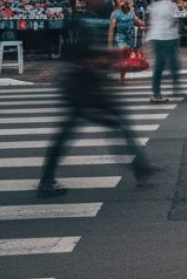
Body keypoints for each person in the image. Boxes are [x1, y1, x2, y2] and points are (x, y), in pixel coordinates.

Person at [37, 16, 157, 197]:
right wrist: (112, 56)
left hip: (87, 88)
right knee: (112, 127)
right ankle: (141, 166)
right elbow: (85, 57)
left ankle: (141, 166)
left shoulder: (87, 20)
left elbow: (89, 56)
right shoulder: (82, 23)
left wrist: (112, 58)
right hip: (82, 89)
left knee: (114, 126)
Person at [146, 0, 182, 104]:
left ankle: (156, 92)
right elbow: (175, 20)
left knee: (159, 66)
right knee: (173, 61)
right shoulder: (172, 6)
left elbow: (150, 21)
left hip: (156, 37)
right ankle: (175, 82)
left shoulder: (153, 6)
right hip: (169, 37)